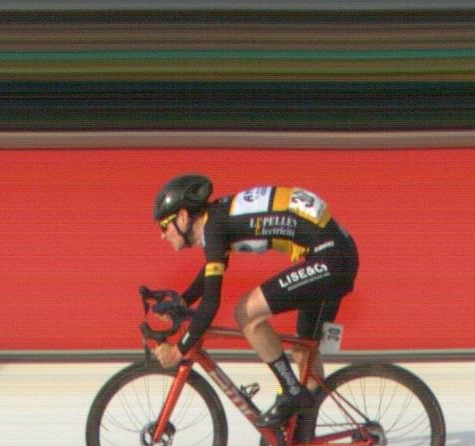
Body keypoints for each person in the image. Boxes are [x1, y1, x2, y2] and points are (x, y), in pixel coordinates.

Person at [151, 173, 358, 426]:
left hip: (331, 260)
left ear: (183, 217)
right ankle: (302, 438)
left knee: (246, 313)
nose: (163, 235)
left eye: (164, 227)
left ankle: (291, 391)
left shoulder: (214, 227)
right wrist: (184, 301)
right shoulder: (218, 218)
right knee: (304, 353)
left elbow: (211, 303)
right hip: (338, 254)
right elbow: (213, 270)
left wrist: (178, 351)